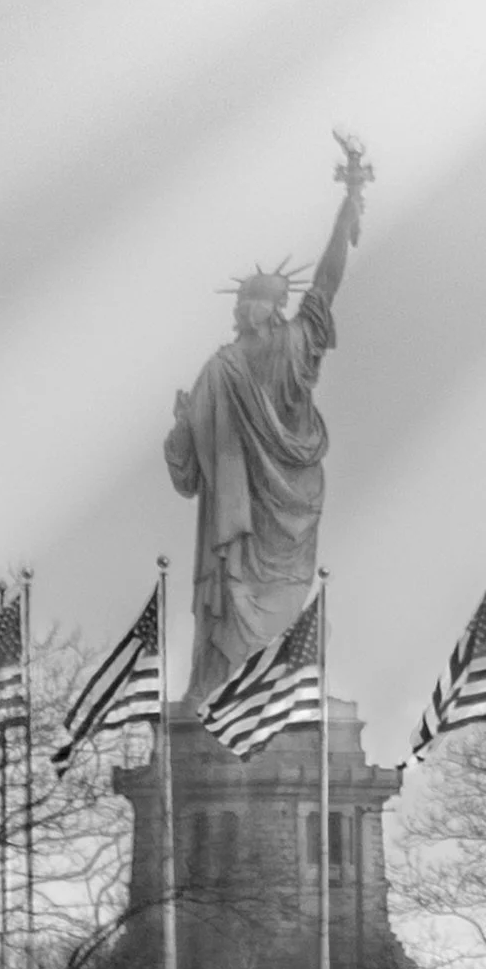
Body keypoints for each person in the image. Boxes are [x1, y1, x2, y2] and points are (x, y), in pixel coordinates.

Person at [165, 139, 370, 707]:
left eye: (251, 304)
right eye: (240, 306)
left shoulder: (296, 345)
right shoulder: (220, 369)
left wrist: (346, 210)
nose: (241, 312)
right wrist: (183, 427)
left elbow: (327, 283)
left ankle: (278, 680)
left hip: (286, 501)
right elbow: (187, 472)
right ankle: (218, 683)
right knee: (229, 592)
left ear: (272, 306)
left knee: (279, 592)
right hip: (237, 511)